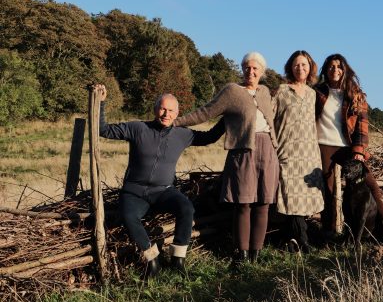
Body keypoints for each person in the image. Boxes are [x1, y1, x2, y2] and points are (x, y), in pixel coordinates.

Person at [96, 84, 225, 279]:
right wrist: (101, 103)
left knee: (186, 208)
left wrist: (229, 115)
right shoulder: (138, 128)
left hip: (163, 191)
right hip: (134, 191)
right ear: (155, 109)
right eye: (163, 108)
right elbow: (103, 129)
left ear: (177, 113)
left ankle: (178, 260)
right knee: (128, 215)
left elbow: (210, 137)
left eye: (171, 110)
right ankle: (152, 260)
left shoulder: (183, 134)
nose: (166, 113)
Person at [173, 52, 279, 264]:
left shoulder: (266, 92)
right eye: (247, 67)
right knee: (243, 204)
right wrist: (176, 122)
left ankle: (257, 255)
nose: (251, 71)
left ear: (262, 72)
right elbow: (205, 112)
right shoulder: (232, 91)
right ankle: (242, 255)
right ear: (242, 69)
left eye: (255, 68)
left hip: (268, 150)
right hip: (242, 151)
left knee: (263, 204)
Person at [315, 54, 383, 245]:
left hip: (348, 147)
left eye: (339, 67)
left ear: (345, 70)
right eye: (331, 67)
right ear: (325, 70)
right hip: (323, 144)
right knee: (329, 190)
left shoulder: (355, 94)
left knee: (370, 185)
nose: (335, 70)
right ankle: (330, 234)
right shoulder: (317, 92)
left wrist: (358, 150)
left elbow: (362, 125)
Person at [273, 50, 325, 253]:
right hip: (288, 149)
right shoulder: (281, 91)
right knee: (290, 194)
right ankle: (302, 241)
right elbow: (271, 118)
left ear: (310, 67)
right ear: (290, 67)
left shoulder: (313, 95)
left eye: (304, 65)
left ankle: (295, 240)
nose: (300, 68)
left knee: (304, 195)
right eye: (296, 65)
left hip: (309, 152)